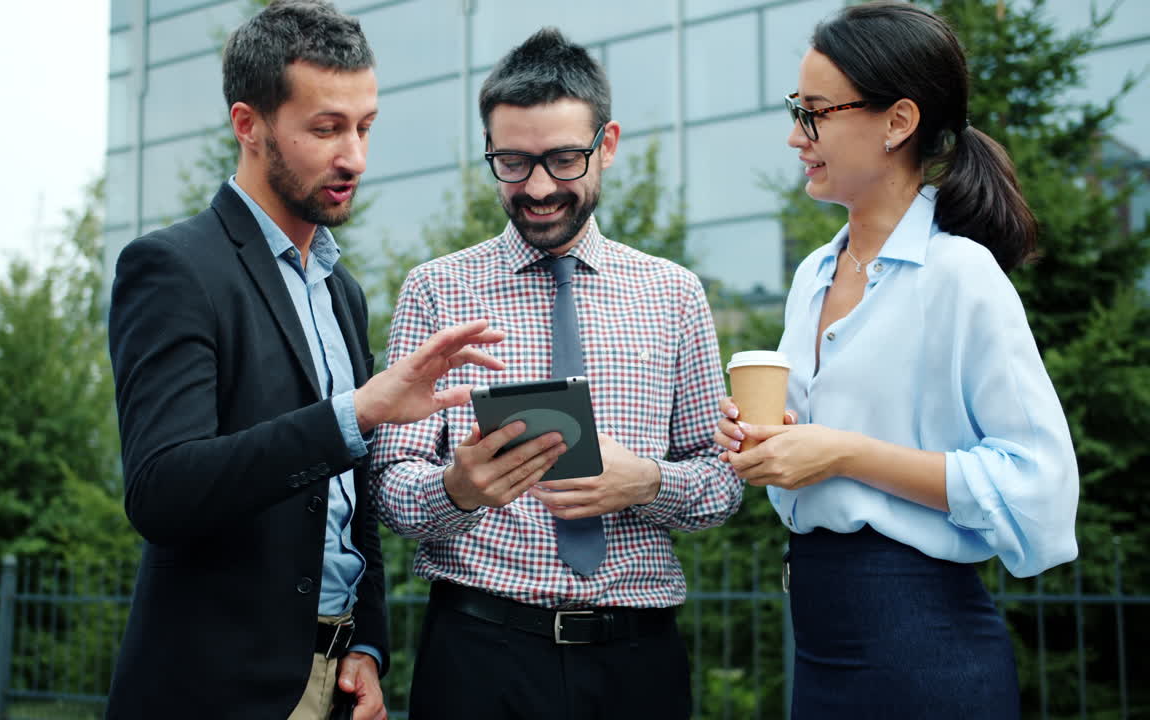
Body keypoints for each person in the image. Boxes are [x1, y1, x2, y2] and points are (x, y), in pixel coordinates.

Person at [104, 2, 506, 718]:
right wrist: (355, 413)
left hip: (336, 681)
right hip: (216, 692)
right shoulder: (172, 268)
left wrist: (368, 644)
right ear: (248, 124)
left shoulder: (340, 290)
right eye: (326, 129)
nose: (354, 156)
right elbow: (162, 491)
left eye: (364, 127)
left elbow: (352, 497)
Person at [713, 2, 1079, 718]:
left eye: (816, 112)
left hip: (926, 650)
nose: (795, 135)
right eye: (795, 109)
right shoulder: (812, 275)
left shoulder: (959, 274)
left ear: (897, 121)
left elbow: (1040, 487)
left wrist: (844, 454)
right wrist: (765, 440)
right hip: (818, 644)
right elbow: (806, 450)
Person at [370, 27, 742, 720]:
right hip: (479, 655)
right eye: (512, 163)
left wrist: (648, 482)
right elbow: (389, 490)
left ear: (608, 144)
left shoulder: (674, 294)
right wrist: (456, 489)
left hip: (637, 663)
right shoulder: (435, 291)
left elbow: (722, 485)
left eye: (564, 160)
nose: (538, 188)